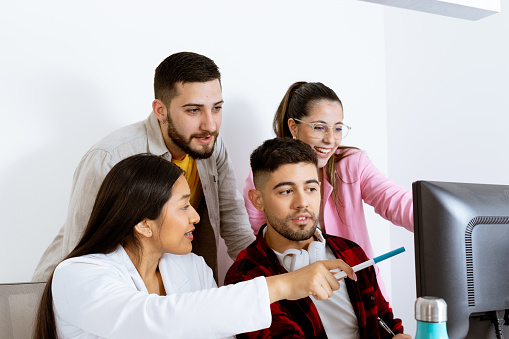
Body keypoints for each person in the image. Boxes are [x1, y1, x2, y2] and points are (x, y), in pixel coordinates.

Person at [34, 154, 355, 339]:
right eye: (184, 206)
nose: (196, 218)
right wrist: (283, 284)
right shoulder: (78, 275)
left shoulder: (188, 267)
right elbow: (151, 321)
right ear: (143, 223)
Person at [33, 52, 255, 282]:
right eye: (193, 110)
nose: (210, 124)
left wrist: (264, 279)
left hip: (161, 286)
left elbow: (234, 223)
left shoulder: (209, 146)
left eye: (216, 108)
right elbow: (81, 252)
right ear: (161, 111)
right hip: (78, 291)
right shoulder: (109, 158)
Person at [226, 138, 412, 339]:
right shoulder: (243, 279)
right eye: (286, 191)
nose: (302, 202)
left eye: (311, 189)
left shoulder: (351, 252)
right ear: (258, 200)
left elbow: (386, 323)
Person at [243, 82, 413, 296]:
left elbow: (396, 202)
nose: (331, 139)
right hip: (293, 293)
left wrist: (439, 222)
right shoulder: (265, 175)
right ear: (293, 127)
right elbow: (258, 242)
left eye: (338, 128)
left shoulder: (353, 164)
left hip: (356, 289)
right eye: (319, 127)